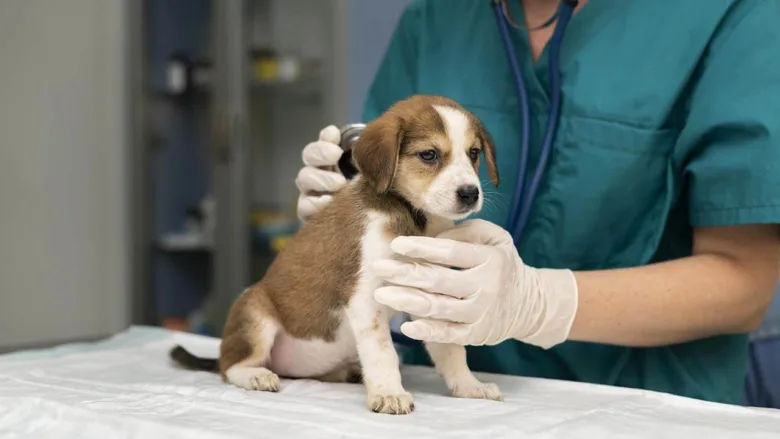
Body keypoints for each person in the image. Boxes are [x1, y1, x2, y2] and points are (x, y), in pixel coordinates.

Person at [295, 0, 780, 404]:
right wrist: (350, 208)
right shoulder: (438, 15)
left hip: (641, 404)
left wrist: (539, 303)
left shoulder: (731, 15)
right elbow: (391, 173)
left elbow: (744, 284)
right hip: (448, 397)